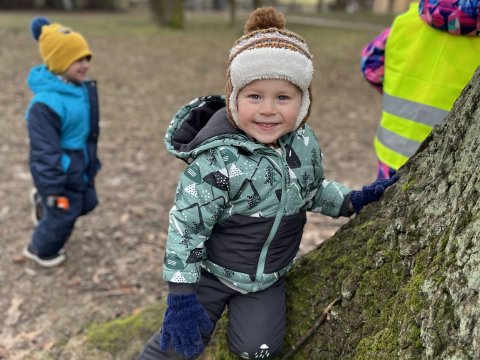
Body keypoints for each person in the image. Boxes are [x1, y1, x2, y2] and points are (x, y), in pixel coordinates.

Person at [138, 7, 398, 360]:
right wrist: (181, 296)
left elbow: (310, 189)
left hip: (266, 281)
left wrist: (350, 200)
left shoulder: (304, 145)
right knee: (180, 343)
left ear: (303, 103)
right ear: (234, 100)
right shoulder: (218, 160)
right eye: (255, 96)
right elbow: (187, 226)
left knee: (260, 350)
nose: (268, 110)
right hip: (211, 274)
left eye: (283, 97)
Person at [361, 0, 480, 179]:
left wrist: (399, 86)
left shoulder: (406, 21)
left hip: (393, 152)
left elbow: (371, 66)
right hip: (448, 163)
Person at [23, 17, 101, 267]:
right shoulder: (45, 104)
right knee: (64, 212)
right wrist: (53, 186)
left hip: (81, 161)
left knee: (87, 203)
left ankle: (44, 204)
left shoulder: (78, 88)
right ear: (59, 62)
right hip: (60, 168)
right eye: (78, 59)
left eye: (87, 58)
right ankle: (39, 250)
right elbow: (44, 151)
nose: (85, 64)